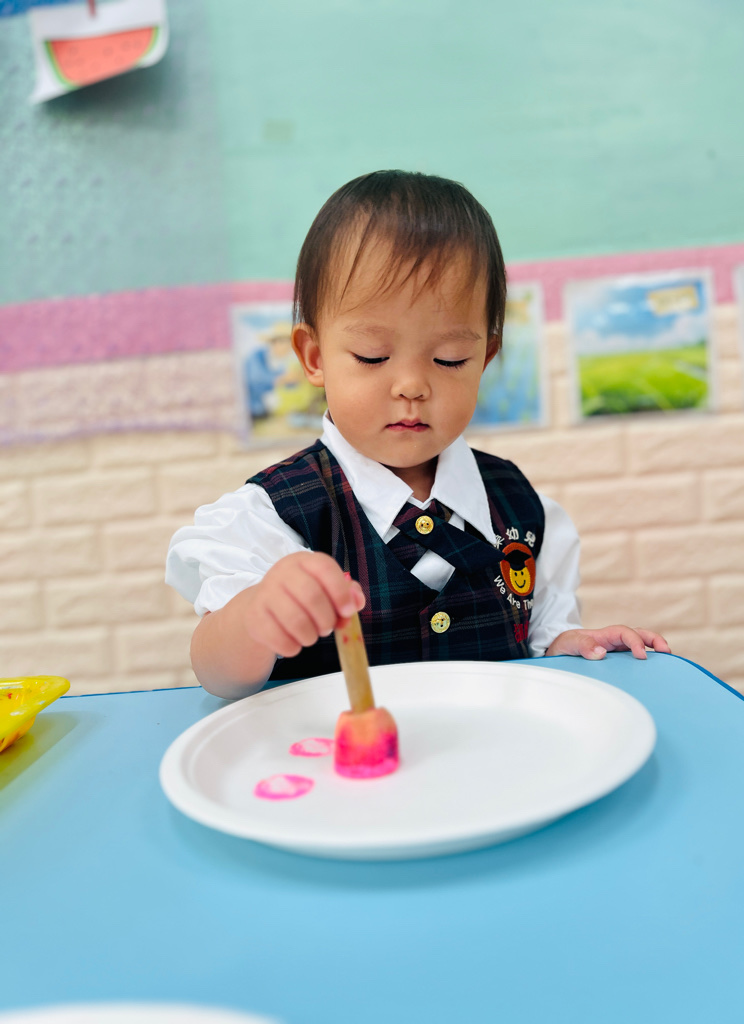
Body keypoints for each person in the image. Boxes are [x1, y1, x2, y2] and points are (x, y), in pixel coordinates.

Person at [166, 170, 670, 699]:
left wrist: (573, 647)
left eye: (449, 359)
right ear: (314, 357)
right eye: (372, 356)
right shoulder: (276, 515)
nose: (411, 386)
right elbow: (216, 673)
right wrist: (255, 617)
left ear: (484, 359)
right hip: (337, 752)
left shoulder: (520, 507)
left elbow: (540, 639)